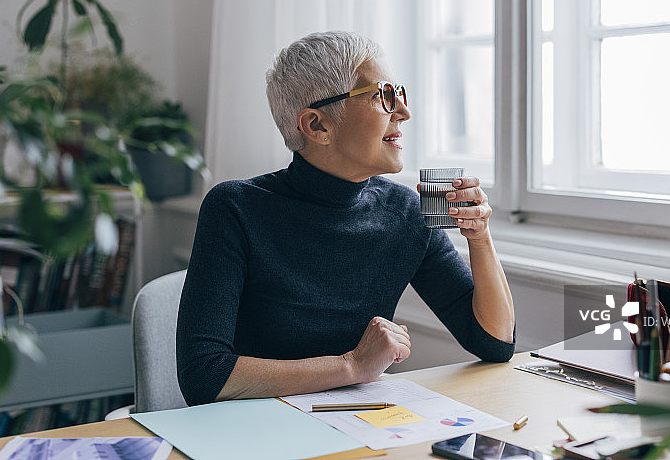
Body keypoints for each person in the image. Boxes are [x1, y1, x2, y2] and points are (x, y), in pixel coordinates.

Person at [176, 31, 515, 406]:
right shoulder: (235, 208)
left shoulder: (406, 211)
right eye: (383, 96)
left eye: (399, 94)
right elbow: (203, 375)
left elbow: (494, 343)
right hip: (256, 430)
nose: (403, 112)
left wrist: (480, 238)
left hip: (360, 426)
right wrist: (352, 365)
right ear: (317, 126)